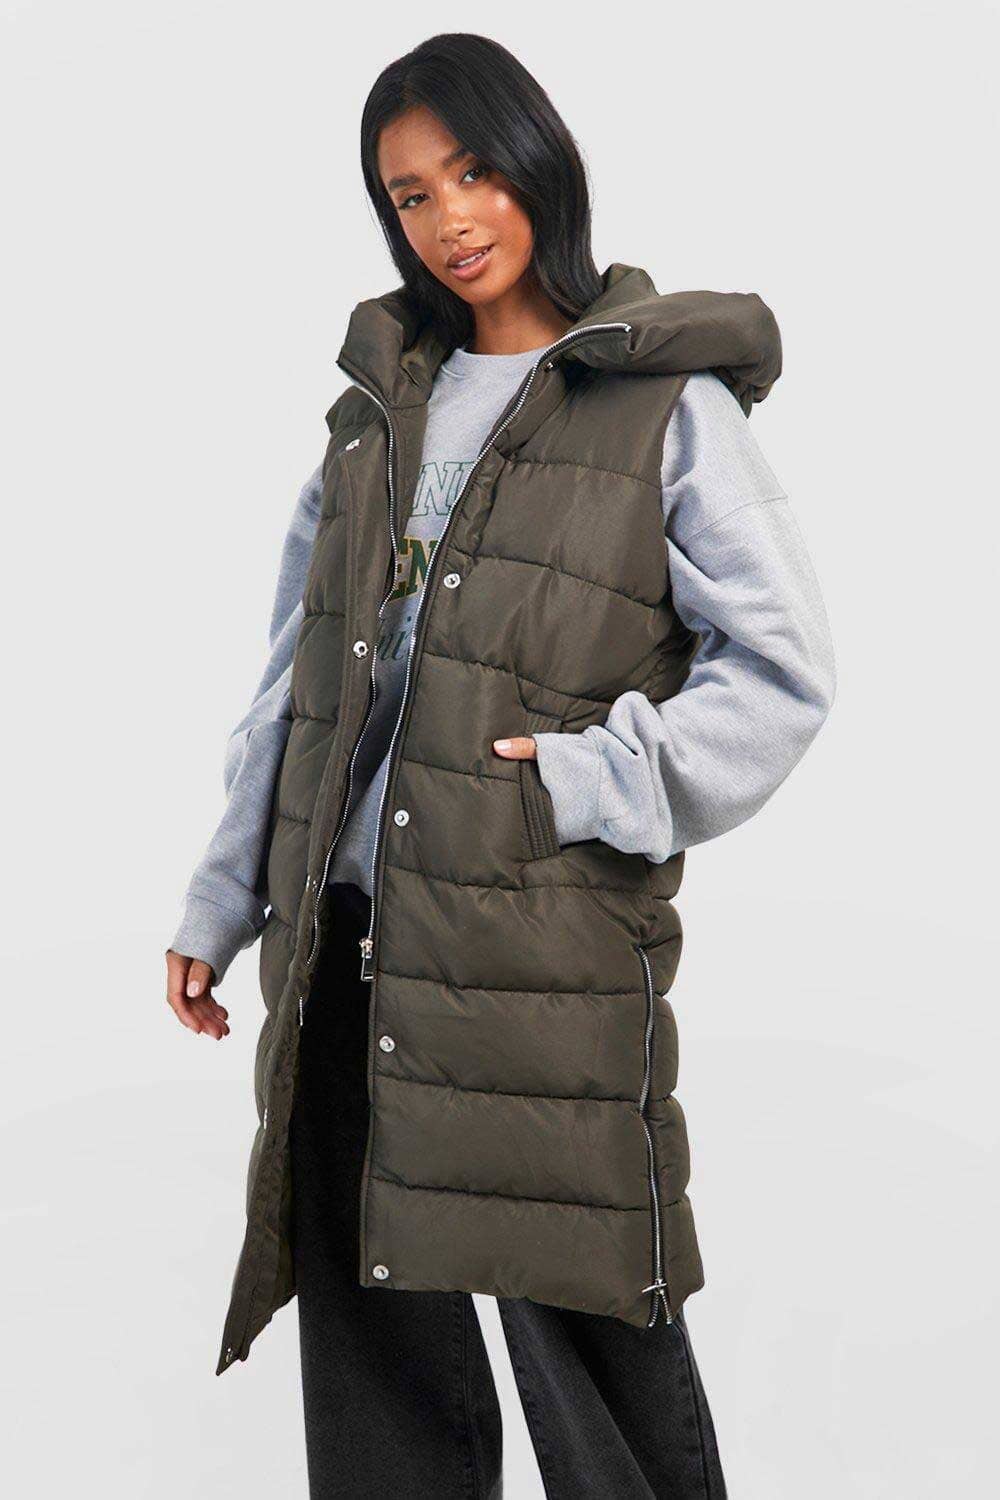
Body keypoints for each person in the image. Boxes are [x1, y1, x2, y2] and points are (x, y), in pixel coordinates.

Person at [166, 32, 835, 1499]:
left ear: (539, 165)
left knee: (591, 1329)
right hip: (348, 939)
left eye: (472, 172)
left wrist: (592, 779)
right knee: (377, 1356)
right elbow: (296, 678)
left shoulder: (662, 404)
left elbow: (784, 672)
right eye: (410, 195)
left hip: (536, 947)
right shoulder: (376, 414)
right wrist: (224, 899)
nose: (450, 218)